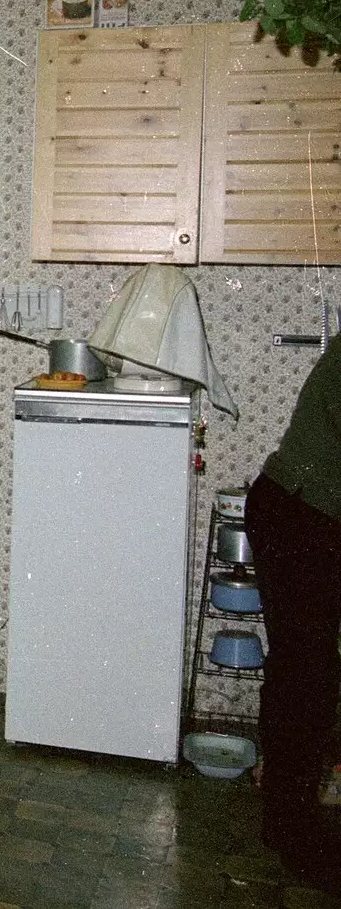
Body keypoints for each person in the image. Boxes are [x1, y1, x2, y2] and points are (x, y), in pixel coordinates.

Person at [246, 340, 341, 888]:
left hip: (306, 513)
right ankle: (291, 829)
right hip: (301, 515)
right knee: (307, 677)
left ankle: (287, 820)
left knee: (305, 673)